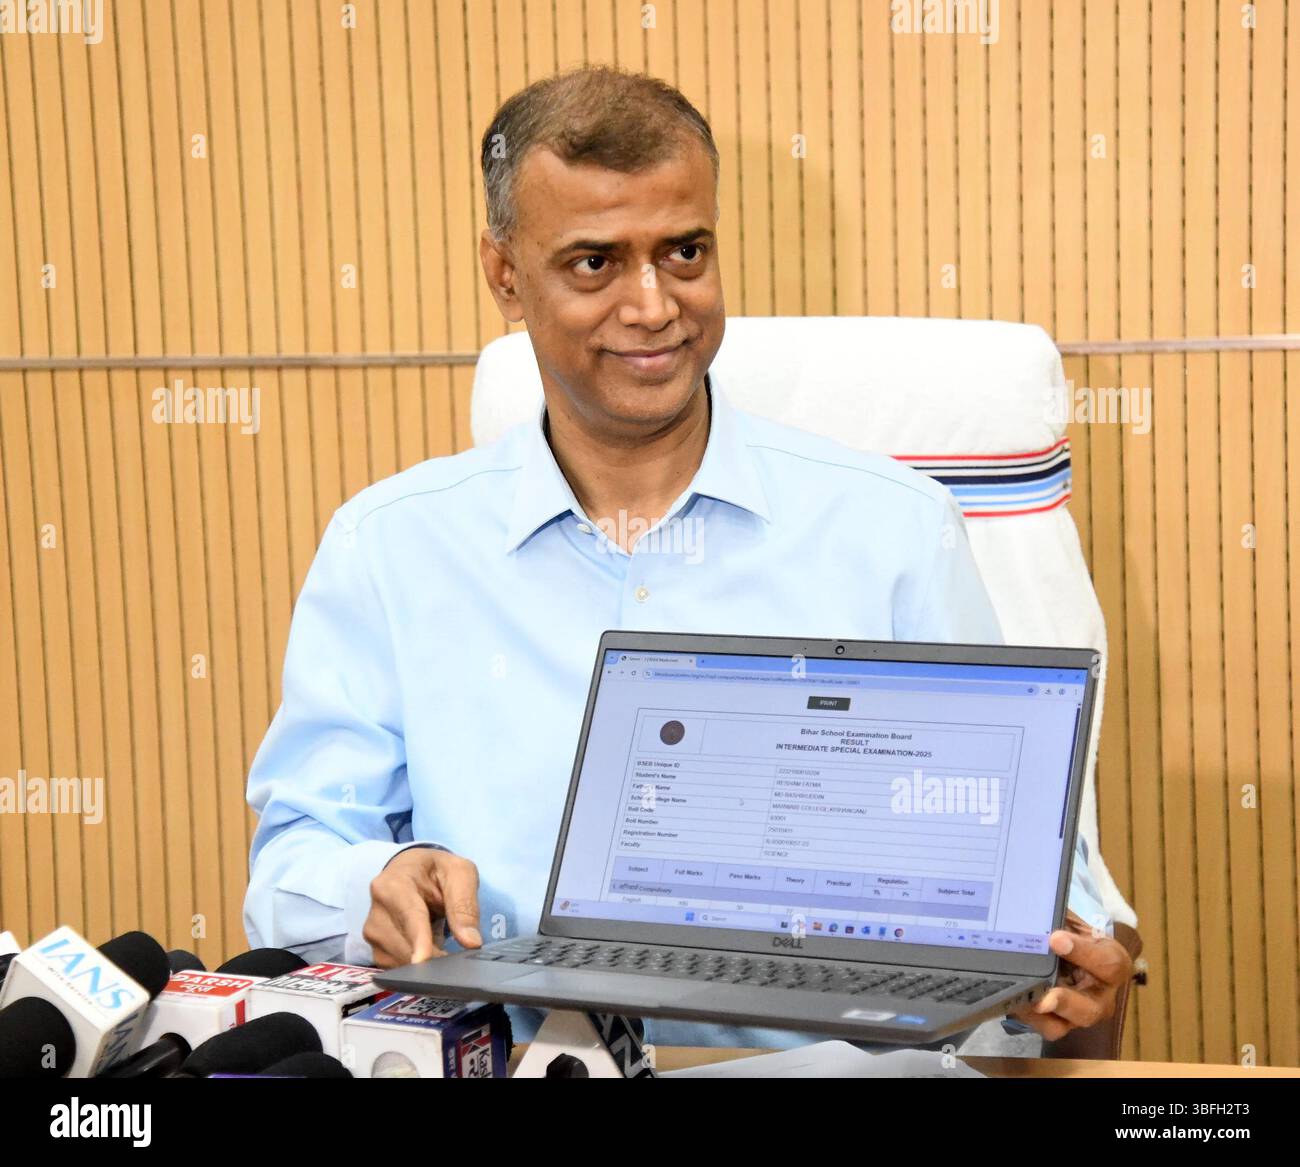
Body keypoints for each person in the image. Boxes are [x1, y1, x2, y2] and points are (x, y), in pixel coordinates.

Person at [244, 64, 1132, 1052]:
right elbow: (293, 861)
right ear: (503, 275)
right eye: (594, 263)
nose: (653, 304)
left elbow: (1051, 900)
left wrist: (1074, 964)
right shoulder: (390, 547)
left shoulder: (892, 530)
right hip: (517, 1065)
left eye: (684, 251)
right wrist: (372, 878)